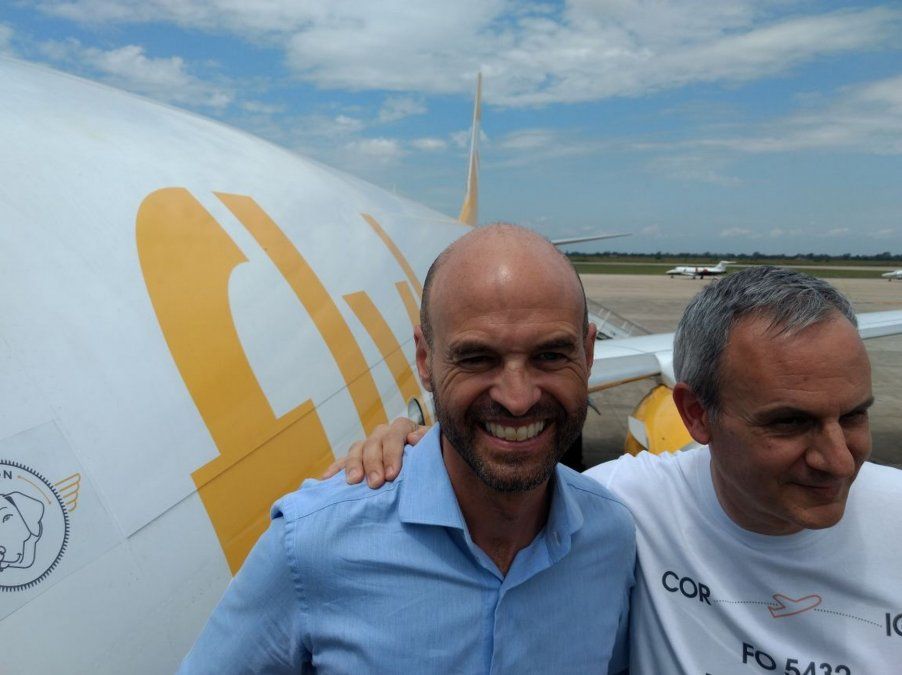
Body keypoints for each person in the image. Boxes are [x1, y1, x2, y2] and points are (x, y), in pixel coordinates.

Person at [342, 266, 902, 673]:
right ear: (695, 416)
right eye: (789, 424)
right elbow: (491, 487)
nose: (838, 460)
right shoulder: (622, 508)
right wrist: (415, 446)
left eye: (854, 416)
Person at [179, 224, 635, 673]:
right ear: (424, 360)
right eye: (477, 358)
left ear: (588, 354)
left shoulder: (611, 540)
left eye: (550, 356)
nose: (518, 399)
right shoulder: (309, 545)